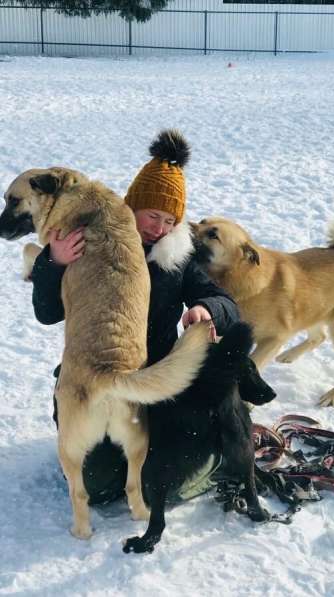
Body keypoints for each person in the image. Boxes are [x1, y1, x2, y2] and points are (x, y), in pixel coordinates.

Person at [30, 129, 240, 504]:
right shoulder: (89, 241)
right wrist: (53, 262)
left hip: (150, 382)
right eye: (152, 215)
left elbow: (224, 302)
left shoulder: (176, 257)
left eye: (169, 220)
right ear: (132, 205)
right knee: (95, 485)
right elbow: (47, 314)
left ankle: (217, 460)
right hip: (90, 379)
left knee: (162, 478)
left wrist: (207, 309)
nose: (159, 228)